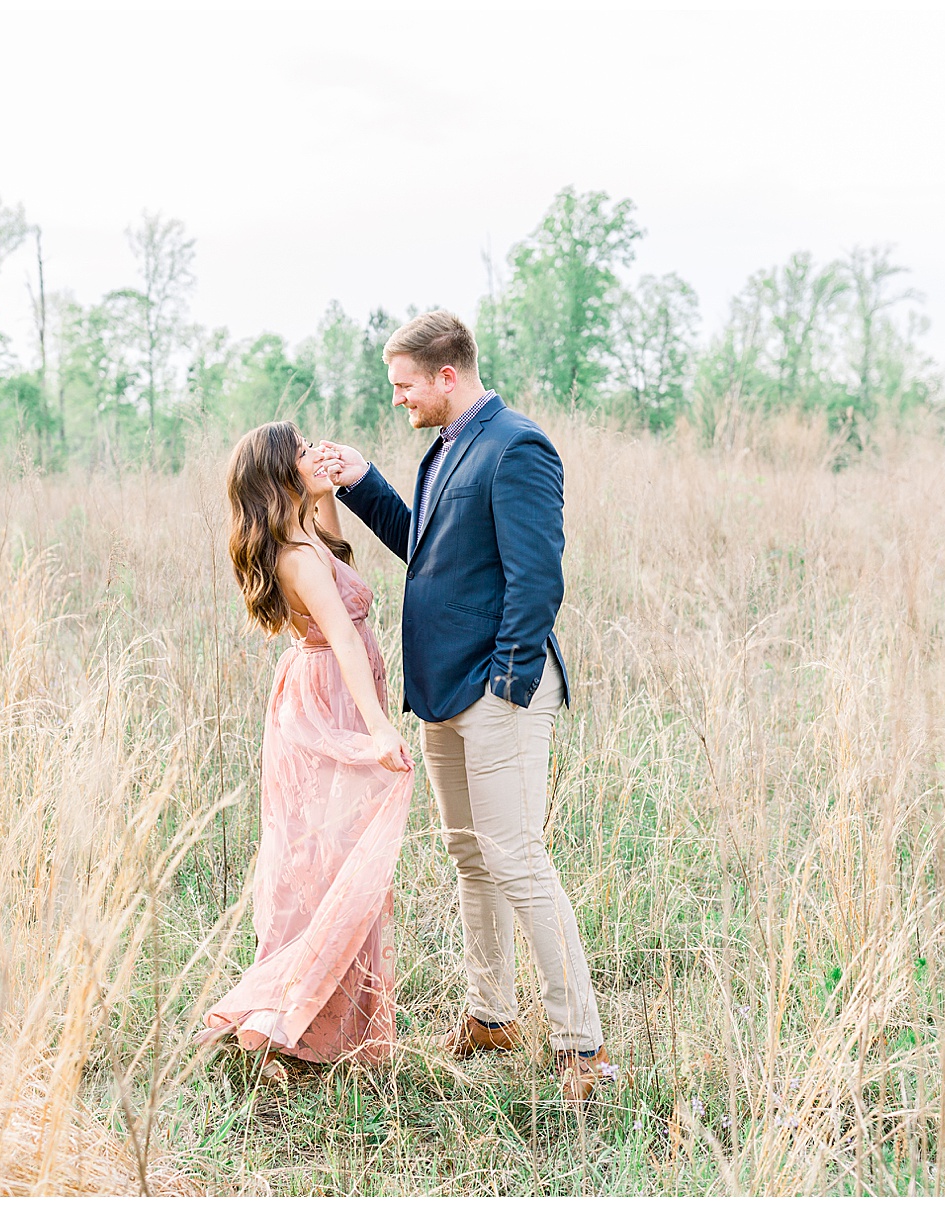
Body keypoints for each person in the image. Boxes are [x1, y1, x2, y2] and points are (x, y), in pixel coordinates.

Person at [317, 310, 618, 1103]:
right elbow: (430, 547)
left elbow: (537, 578)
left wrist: (506, 684)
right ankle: (491, 1015)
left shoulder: (517, 446)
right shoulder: (447, 448)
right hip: (445, 691)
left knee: (517, 856)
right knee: (470, 855)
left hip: (498, 691)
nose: (399, 400)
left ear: (447, 374)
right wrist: (362, 481)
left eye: (405, 385)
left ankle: (582, 1046)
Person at [197, 421, 414, 1085]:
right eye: (300, 454)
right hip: (329, 699)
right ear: (276, 473)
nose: (311, 454)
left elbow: (341, 550)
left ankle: (325, 1021)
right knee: (323, 859)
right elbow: (345, 639)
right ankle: (289, 1013)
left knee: (332, 854)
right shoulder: (292, 556)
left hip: (326, 691)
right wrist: (378, 727)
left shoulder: (302, 534)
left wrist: (327, 489)